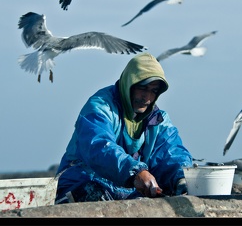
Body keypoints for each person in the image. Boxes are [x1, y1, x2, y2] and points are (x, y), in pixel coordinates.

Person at [55, 52, 193, 203]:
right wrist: (136, 172)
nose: (147, 97)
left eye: (153, 91)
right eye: (142, 88)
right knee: (93, 194)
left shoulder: (159, 120)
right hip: (81, 183)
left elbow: (171, 152)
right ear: (129, 83)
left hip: (126, 192)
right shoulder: (100, 106)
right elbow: (99, 146)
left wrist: (182, 178)